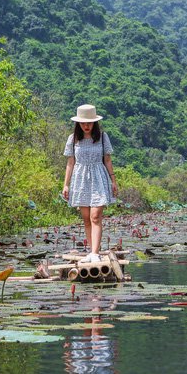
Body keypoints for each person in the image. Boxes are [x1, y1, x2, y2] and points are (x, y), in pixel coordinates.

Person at [63, 104, 118, 263]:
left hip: (98, 178)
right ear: (78, 123)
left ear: (94, 122)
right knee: (86, 217)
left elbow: (107, 160)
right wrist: (66, 184)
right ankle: (92, 251)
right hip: (80, 180)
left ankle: (95, 252)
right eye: (83, 123)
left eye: (89, 122)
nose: (86, 126)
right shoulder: (73, 139)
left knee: (95, 216)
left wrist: (113, 181)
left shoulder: (102, 137)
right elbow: (70, 163)